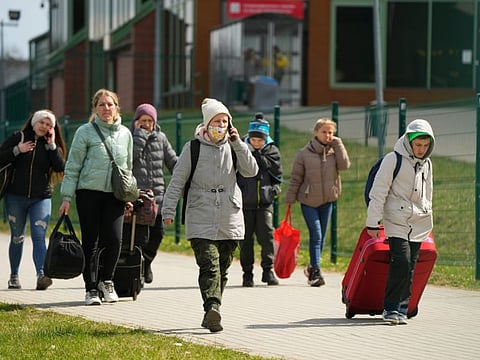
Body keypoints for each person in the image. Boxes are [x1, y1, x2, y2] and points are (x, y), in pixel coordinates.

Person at [161, 98, 258, 332]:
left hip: (230, 216)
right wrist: (168, 209)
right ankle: (212, 307)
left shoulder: (234, 147)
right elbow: (177, 181)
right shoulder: (192, 148)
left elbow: (251, 170)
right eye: (217, 121)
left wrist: (238, 144)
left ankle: (211, 310)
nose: (221, 125)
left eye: (225, 121)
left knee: (223, 268)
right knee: (210, 265)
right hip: (200, 213)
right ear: (207, 123)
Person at [59, 88, 134, 306]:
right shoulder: (85, 132)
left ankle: (107, 281)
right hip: (88, 194)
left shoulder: (125, 134)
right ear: (95, 108)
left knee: (114, 239)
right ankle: (91, 288)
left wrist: (127, 194)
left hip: (114, 195)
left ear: (117, 107)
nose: (106, 108)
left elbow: (127, 167)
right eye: (101, 104)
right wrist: (66, 197)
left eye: (110, 104)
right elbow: (72, 166)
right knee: (90, 241)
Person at [366, 119, 434, 325]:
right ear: (408, 141)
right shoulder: (392, 159)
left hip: (418, 222)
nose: (421, 149)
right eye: (418, 145)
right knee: (401, 261)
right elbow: (378, 191)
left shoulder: (427, 164)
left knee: (411, 264)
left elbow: (428, 194)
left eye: (425, 145)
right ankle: (391, 308)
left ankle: (403, 308)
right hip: (396, 220)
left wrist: (427, 214)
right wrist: (373, 222)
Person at [0, 110, 66, 290]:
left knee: (38, 237)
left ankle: (41, 275)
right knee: (17, 237)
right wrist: (17, 150)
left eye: (48, 125)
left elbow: (60, 167)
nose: (44, 127)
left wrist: (52, 146)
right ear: (34, 123)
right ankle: (14, 276)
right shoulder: (18, 137)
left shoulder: (49, 145)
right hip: (15, 198)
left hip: (41, 198)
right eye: (42, 123)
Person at [286, 118, 351, 287]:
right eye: (324, 132)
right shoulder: (303, 154)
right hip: (308, 202)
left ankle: (312, 267)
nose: (328, 135)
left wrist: (339, 145)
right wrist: (290, 198)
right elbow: (296, 178)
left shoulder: (334, 151)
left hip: (327, 201)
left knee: (320, 238)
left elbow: (344, 166)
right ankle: (316, 272)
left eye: (331, 132)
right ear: (316, 132)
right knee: (316, 235)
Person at [129, 103, 177, 284]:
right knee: (140, 235)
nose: (147, 124)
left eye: (150, 120)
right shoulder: (130, 137)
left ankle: (146, 262)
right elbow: (130, 158)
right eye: (143, 120)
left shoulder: (161, 138)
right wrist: (139, 136)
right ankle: (136, 268)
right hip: (138, 197)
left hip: (158, 198)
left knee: (159, 233)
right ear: (136, 122)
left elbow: (172, 161)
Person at [237, 112, 283, 287]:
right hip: (244, 203)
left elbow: (277, 176)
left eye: (260, 140)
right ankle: (247, 273)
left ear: (266, 138)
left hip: (265, 203)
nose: (256, 143)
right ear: (249, 137)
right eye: (254, 140)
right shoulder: (240, 150)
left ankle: (268, 270)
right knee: (245, 239)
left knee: (267, 237)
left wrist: (274, 190)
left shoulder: (272, 151)